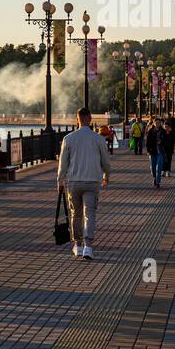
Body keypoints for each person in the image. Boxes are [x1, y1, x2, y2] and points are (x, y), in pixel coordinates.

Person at [57, 107, 111, 260]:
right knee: (90, 214)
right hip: (92, 181)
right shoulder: (99, 139)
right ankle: (88, 246)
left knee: (76, 214)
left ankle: (78, 245)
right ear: (90, 118)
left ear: (77, 119)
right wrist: (107, 175)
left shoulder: (68, 138)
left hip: (74, 182)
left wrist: (60, 180)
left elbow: (63, 163)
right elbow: (106, 161)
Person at [145, 118, 166, 188]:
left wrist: (162, 142)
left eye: (159, 123)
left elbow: (166, 141)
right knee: (153, 168)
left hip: (160, 152)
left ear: (160, 124)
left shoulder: (163, 131)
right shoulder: (151, 131)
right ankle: (154, 177)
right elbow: (147, 142)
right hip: (152, 151)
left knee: (159, 167)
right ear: (153, 123)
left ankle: (158, 182)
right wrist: (148, 150)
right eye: (156, 122)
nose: (157, 124)